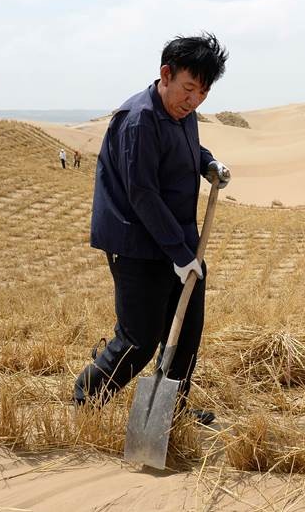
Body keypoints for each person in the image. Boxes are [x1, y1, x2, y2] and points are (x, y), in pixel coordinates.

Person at [73, 33, 231, 427]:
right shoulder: (139, 120)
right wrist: (180, 256)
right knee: (139, 338)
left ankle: (167, 413)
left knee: (186, 336)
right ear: (166, 74)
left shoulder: (182, 112)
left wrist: (208, 164)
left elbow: (187, 149)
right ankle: (85, 401)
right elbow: (142, 194)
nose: (194, 100)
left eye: (203, 92)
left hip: (177, 240)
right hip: (137, 244)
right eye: (188, 88)